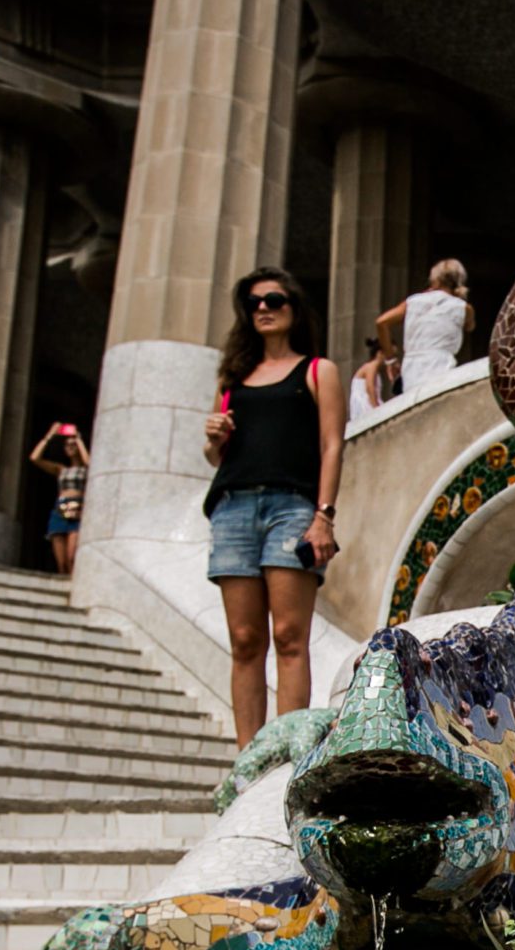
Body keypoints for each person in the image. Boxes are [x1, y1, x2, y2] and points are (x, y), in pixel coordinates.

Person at [202, 266, 343, 748]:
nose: (263, 307)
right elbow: (218, 458)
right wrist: (213, 440)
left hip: (292, 507)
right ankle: (247, 758)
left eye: (274, 299)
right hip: (233, 508)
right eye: (254, 302)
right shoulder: (234, 379)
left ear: (293, 309)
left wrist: (323, 515)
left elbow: (331, 444)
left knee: (288, 635)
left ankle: (287, 753)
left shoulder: (317, 371)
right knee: (244, 641)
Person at [377, 259, 474, 398]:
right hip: (441, 364)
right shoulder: (463, 307)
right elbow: (470, 326)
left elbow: (382, 322)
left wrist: (390, 360)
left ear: (435, 281)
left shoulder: (413, 301)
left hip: (412, 367)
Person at [26, 423, 90, 576]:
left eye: (72, 445)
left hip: (78, 507)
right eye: (68, 445)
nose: (70, 447)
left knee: (71, 556)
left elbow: (88, 462)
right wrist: (50, 436)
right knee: (61, 562)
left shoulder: (86, 469)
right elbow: (34, 458)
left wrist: (78, 439)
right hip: (61, 507)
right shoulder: (61, 469)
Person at [348, 336, 389, 423]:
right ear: (380, 353)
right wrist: (376, 409)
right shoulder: (372, 365)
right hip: (365, 403)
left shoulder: (373, 368)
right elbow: (370, 387)